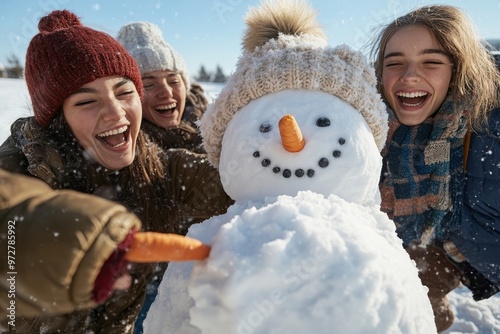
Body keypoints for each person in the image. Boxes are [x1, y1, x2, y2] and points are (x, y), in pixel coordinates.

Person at [0, 10, 232, 333]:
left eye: (124, 92)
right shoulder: (22, 172)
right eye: (86, 102)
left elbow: (230, 181)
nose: (115, 112)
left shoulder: (152, 164)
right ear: (58, 120)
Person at [370, 5, 500, 332]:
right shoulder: (370, 126)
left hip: (481, 249)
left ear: (458, 69)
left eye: (431, 62)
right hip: (437, 246)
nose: (409, 76)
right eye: (395, 63)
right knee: (392, 303)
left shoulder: (489, 123)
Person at [117, 21, 208, 153]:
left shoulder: (221, 128)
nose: (166, 93)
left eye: (174, 81)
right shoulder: (123, 154)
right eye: (148, 84)